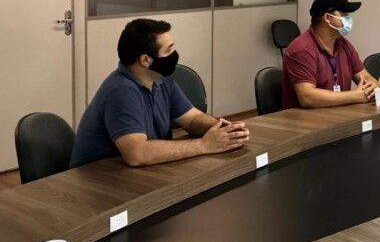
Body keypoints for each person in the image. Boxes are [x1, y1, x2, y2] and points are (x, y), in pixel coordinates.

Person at [71, 19, 249, 168]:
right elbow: (137, 154)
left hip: (134, 175)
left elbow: (192, 119)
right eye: (168, 50)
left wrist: (223, 129)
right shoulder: (121, 91)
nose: (174, 54)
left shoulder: (161, 80)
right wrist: (204, 145)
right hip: (97, 183)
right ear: (145, 60)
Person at [282, 0, 379, 108]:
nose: (349, 19)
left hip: (339, 114)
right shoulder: (302, 49)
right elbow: (307, 97)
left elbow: (366, 77)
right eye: (344, 14)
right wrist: (355, 96)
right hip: (306, 118)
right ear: (327, 18)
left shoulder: (344, 45)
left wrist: (373, 85)